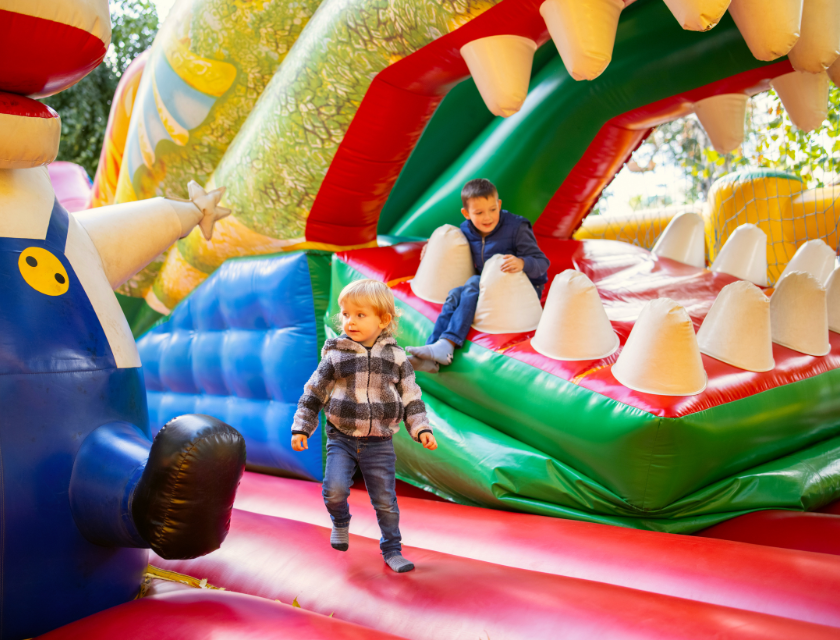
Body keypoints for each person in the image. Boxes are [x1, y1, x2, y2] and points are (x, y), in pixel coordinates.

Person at [291, 279, 437, 573]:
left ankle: (392, 549)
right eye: (346, 314)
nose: (350, 321)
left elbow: (411, 396)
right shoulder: (336, 355)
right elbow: (314, 392)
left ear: (383, 320)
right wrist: (302, 426)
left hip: (379, 442)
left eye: (360, 315)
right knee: (334, 490)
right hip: (342, 437)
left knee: (385, 501)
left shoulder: (396, 358)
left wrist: (421, 427)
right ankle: (340, 521)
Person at [406, 178, 550, 373]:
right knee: (455, 294)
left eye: (492, 209)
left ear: (499, 204)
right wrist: (431, 246)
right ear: (466, 214)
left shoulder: (517, 227)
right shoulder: (467, 229)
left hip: (524, 291)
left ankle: (448, 344)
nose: (488, 217)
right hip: (488, 286)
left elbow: (542, 262)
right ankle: (431, 353)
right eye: (479, 213)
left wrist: (522, 263)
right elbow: (453, 241)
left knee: (473, 282)